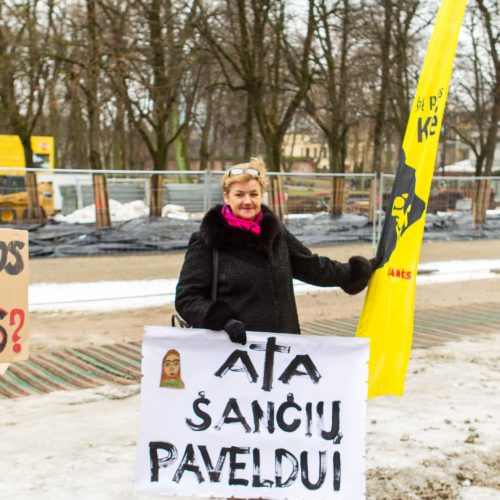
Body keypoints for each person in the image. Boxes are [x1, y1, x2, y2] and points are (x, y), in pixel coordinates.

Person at [175, 157, 375, 345]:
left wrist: (359, 270)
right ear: (227, 197)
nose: (247, 201)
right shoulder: (207, 240)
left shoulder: (276, 234)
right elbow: (187, 297)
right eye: (239, 194)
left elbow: (313, 267)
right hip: (233, 353)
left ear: (261, 196)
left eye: (253, 194)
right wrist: (222, 320)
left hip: (282, 349)